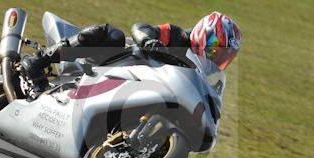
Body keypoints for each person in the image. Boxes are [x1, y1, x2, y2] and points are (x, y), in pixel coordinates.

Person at [20, 12, 242, 95]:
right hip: (114, 63)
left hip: (135, 89)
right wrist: (149, 40)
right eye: (216, 50)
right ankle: (38, 61)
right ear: (205, 33)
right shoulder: (177, 37)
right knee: (112, 34)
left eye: (224, 57)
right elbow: (140, 26)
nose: (216, 58)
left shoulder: (198, 74)